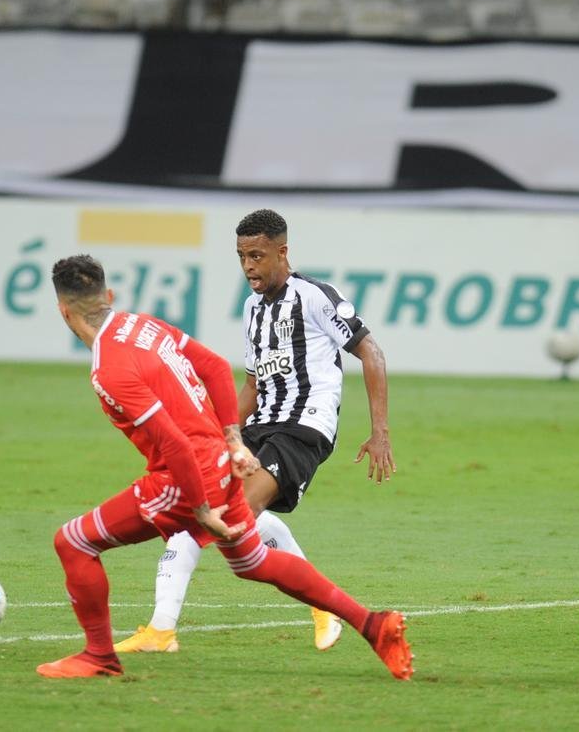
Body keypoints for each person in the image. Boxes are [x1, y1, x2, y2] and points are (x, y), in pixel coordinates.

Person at [36, 255, 413, 680]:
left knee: (74, 542)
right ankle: (373, 624)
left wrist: (200, 509)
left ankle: (101, 655)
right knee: (252, 561)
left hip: (184, 477)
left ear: (63, 311)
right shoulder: (144, 325)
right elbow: (215, 366)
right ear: (108, 296)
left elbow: (174, 443)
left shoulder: (108, 369)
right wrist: (232, 439)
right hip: (220, 458)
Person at [114, 208, 396, 654]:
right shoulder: (251, 308)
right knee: (209, 509)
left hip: (302, 429)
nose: (248, 266)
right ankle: (321, 607)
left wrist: (379, 431)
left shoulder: (315, 297)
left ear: (282, 252)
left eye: (257, 255)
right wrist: (216, 434)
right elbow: (251, 383)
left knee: (218, 516)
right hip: (259, 428)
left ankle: (161, 629)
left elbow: (372, 352)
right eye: (242, 256)